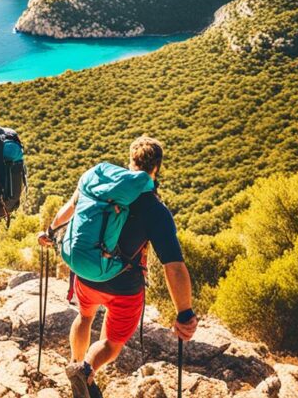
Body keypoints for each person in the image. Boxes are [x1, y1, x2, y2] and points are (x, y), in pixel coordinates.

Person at [39, 136, 198, 398]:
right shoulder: (155, 209)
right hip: (125, 287)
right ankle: (87, 369)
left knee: (85, 316)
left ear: (130, 161)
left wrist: (49, 231)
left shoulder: (99, 184)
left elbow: (70, 207)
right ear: (155, 169)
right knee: (111, 344)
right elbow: (174, 265)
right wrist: (184, 313)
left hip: (87, 274)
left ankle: (75, 364)